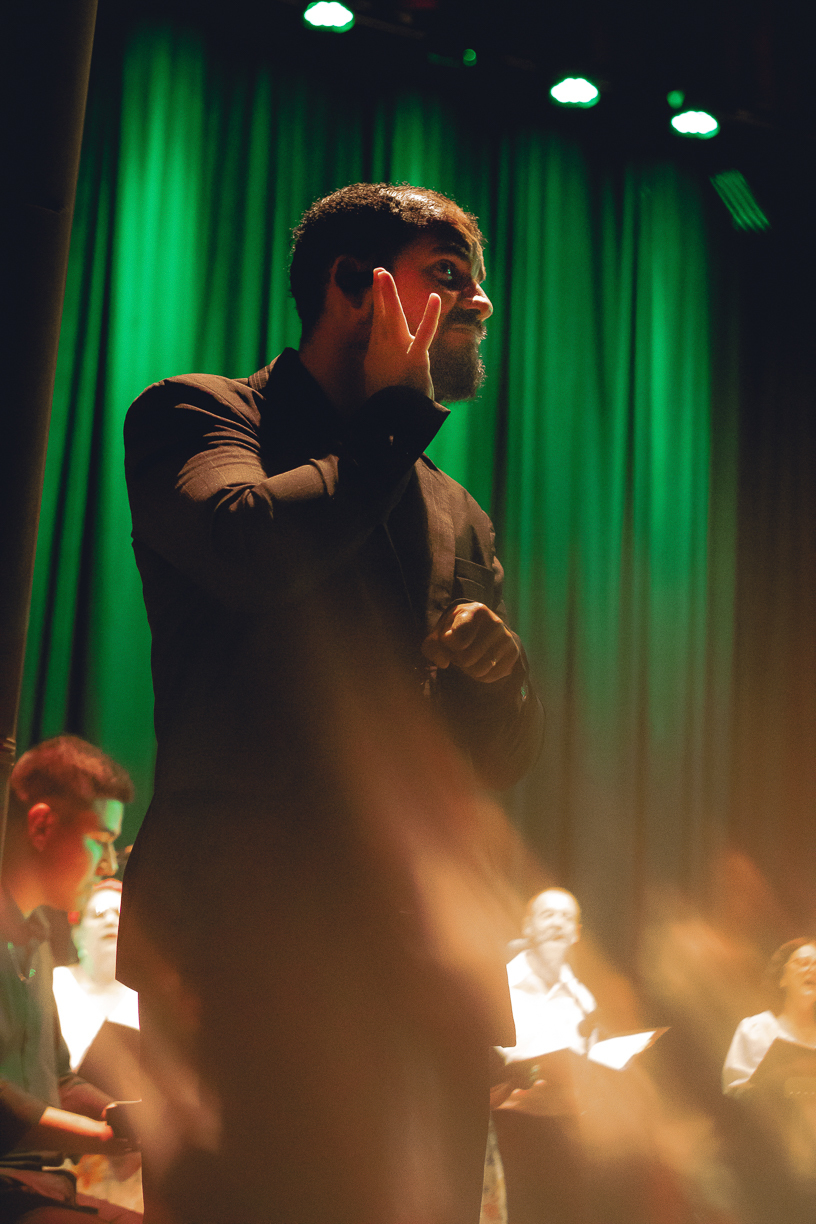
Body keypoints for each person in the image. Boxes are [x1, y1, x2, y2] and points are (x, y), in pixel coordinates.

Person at [120, 182, 543, 1224]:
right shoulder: (201, 415)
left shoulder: (455, 509)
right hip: (245, 955)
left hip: (422, 975)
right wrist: (392, 422)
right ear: (355, 286)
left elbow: (493, 762)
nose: (482, 303)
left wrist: (501, 678)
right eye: (450, 277)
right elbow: (244, 547)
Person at [0, 735, 141, 1223]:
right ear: (41, 825)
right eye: (101, 839)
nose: (109, 865)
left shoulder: (36, 937)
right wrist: (107, 1138)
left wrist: (126, 1116)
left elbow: (57, 1080)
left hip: (42, 1186)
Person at [492, 888, 595, 1224]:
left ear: (576, 933)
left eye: (566, 918)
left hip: (564, 1135)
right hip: (507, 1132)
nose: (557, 924)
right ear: (528, 927)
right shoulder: (499, 984)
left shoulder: (584, 999)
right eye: (548, 915)